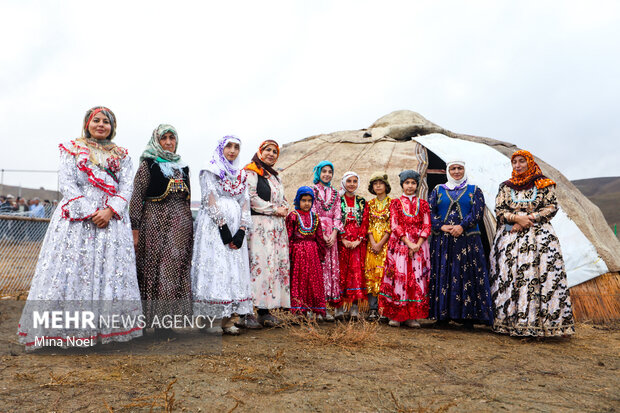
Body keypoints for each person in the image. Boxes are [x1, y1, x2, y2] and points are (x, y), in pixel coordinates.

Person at [17, 106, 143, 350]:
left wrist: (110, 211)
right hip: (78, 222)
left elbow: (127, 186)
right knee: (73, 271)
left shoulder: (122, 155)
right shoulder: (72, 149)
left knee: (109, 272)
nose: (100, 125)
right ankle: (61, 331)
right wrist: (91, 212)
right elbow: (67, 182)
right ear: (87, 123)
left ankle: (103, 331)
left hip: (112, 220)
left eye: (106, 121)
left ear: (112, 126)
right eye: (96, 120)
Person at [489, 150, 574, 337]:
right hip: (511, 238)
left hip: (540, 238)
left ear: (529, 163)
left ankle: (543, 325)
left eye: (521, 161)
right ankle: (509, 323)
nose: (518, 165)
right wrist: (516, 219)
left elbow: (551, 207)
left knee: (540, 276)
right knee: (510, 277)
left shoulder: (544, 184)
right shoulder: (505, 187)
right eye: (515, 162)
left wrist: (528, 218)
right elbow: (499, 210)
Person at [129, 124, 193, 334]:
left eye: (171, 138)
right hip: (154, 224)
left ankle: (168, 321)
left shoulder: (183, 166)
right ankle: (152, 322)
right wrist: (135, 229)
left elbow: (186, 200)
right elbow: (137, 197)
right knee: (154, 270)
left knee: (174, 271)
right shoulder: (148, 164)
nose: (168, 142)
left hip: (180, 227)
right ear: (157, 140)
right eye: (164, 138)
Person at [191, 136, 253, 335]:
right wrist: (223, 227)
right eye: (229, 146)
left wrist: (242, 230)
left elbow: (245, 201)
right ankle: (211, 321)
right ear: (221, 148)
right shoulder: (211, 169)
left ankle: (228, 320)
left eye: (236, 147)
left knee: (234, 269)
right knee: (217, 267)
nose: (232, 150)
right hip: (214, 227)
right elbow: (210, 199)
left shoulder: (241, 174)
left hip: (236, 225)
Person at [428, 161, 494, 329]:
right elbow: (429, 211)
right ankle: (442, 316)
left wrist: (461, 226)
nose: (456, 171)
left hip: (468, 240)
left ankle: (467, 317)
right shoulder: (438, 190)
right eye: (453, 169)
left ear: (464, 170)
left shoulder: (474, 190)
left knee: (467, 275)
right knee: (444, 273)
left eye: (460, 168)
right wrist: (441, 226)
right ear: (448, 171)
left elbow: (478, 212)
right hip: (443, 239)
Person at [242, 140, 290, 328]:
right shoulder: (251, 172)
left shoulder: (275, 177)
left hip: (275, 229)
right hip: (259, 226)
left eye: (274, 152)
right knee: (257, 266)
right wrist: (274, 209)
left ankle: (264, 311)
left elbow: (283, 199)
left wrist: (284, 207)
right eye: (267, 150)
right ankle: (246, 311)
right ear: (259, 152)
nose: (271, 154)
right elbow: (251, 197)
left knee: (271, 267)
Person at [379, 170, 431, 328]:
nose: (410, 186)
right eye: (407, 183)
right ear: (402, 184)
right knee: (399, 277)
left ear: (417, 185)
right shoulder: (395, 203)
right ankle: (396, 315)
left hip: (419, 246)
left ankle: (412, 316)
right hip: (400, 245)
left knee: (416, 278)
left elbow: (427, 225)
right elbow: (395, 225)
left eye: (413, 183)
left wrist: (418, 244)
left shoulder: (423, 204)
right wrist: (409, 244)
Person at [286, 186, 327, 318]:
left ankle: (314, 309)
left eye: (309, 200)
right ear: (298, 200)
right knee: (299, 281)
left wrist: (321, 254)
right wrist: (290, 255)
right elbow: (289, 236)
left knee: (313, 281)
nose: (307, 203)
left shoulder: (315, 217)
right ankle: (299, 310)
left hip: (313, 253)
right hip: (298, 255)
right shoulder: (293, 216)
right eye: (303, 200)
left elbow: (320, 237)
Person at [311, 161, 343, 321]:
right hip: (317, 234)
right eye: (324, 171)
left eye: (330, 171)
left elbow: (338, 213)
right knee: (318, 269)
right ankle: (315, 307)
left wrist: (334, 233)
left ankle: (326, 308)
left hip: (332, 235)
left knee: (331, 269)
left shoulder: (336, 193)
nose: (327, 174)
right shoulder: (312, 190)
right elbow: (312, 212)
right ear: (318, 172)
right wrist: (321, 234)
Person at [336, 171, 367, 320]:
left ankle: (354, 307)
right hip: (342, 243)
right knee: (342, 273)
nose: (352, 184)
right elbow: (336, 219)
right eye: (349, 181)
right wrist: (342, 239)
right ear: (343, 182)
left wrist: (358, 240)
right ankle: (340, 307)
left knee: (356, 274)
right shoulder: (338, 200)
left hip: (357, 243)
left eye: (355, 181)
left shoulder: (361, 201)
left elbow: (365, 221)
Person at [362, 172, 392, 321]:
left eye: (381, 183)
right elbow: (367, 224)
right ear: (372, 187)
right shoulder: (369, 204)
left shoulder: (392, 204)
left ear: (386, 186)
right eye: (375, 183)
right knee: (371, 274)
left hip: (386, 244)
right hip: (371, 244)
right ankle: (372, 308)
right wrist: (373, 242)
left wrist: (381, 243)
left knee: (384, 275)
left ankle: (384, 309)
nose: (378, 186)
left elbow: (391, 225)